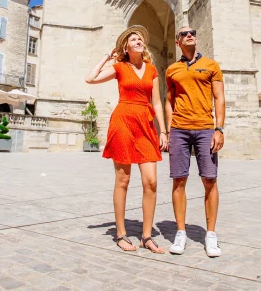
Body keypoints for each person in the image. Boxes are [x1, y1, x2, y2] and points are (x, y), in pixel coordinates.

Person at [85, 25, 168, 253]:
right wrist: (107, 57)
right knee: (123, 180)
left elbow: (157, 102)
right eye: (133, 39)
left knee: (151, 181)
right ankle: (121, 234)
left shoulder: (152, 70)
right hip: (122, 122)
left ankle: (147, 236)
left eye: (140, 38)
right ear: (126, 46)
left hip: (145, 124)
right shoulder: (120, 67)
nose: (138, 40)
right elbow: (90, 79)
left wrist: (163, 130)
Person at [165, 26, 225, 257]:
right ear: (177, 42)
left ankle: (210, 234)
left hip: (205, 129)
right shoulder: (172, 69)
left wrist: (219, 128)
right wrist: (169, 130)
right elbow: (169, 101)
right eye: (183, 34)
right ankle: (180, 232)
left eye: (192, 32)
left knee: (210, 180)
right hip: (179, 129)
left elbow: (219, 98)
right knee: (178, 181)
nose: (189, 35)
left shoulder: (211, 65)